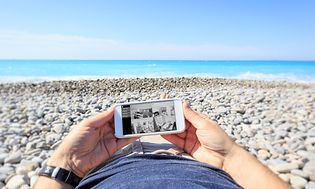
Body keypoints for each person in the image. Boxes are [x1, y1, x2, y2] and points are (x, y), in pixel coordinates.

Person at [34, 95, 291, 189]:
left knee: (143, 132)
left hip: (113, 168)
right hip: (201, 164)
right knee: (164, 129)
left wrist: (68, 165)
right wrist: (229, 156)